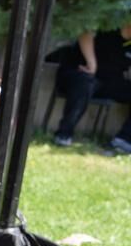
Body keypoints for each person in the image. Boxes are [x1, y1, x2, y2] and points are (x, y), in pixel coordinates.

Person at [50, 20, 131, 150]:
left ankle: (123, 141)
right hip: (79, 74)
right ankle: (64, 134)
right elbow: (85, 32)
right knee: (85, 82)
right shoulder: (109, 23)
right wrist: (91, 63)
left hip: (108, 83)